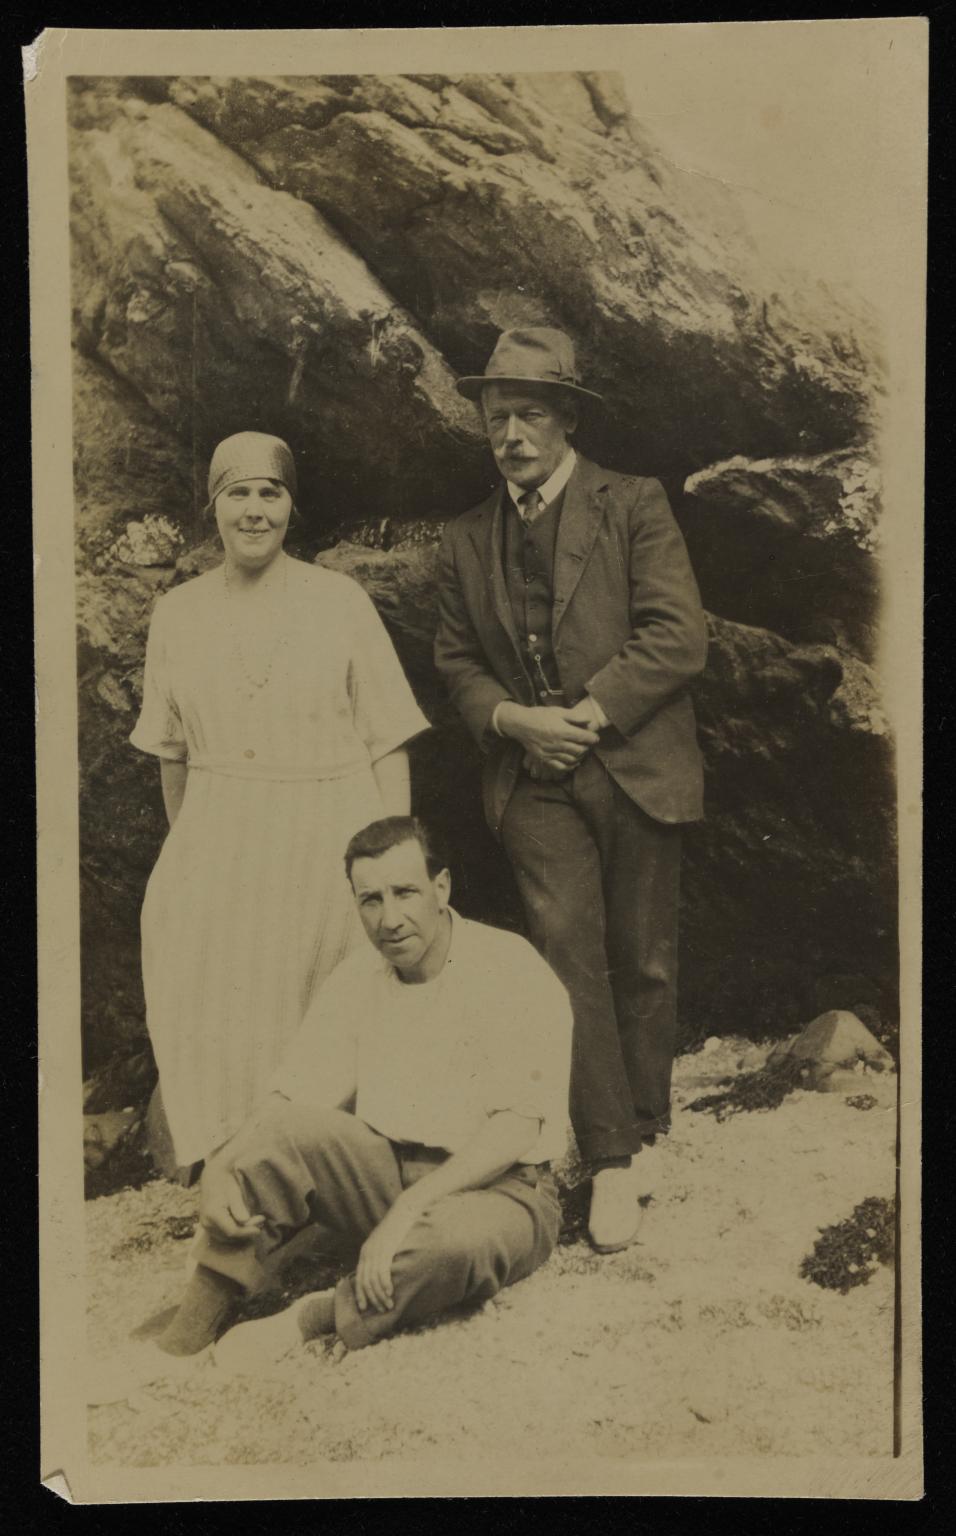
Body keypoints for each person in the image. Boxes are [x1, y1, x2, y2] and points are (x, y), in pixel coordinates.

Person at [434, 327, 708, 1253]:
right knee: (564, 957)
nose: (511, 435)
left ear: (568, 419)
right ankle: (612, 1157)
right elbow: (457, 661)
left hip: (633, 764)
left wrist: (582, 717)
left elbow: (678, 636)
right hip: (532, 779)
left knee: (644, 956)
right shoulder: (466, 537)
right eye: (496, 417)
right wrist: (517, 723)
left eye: (530, 414)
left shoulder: (633, 504)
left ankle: (648, 1126)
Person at [154, 816, 572, 1366]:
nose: (389, 919)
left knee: (454, 1246)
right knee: (280, 1134)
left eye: (405, 893)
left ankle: (318, 1314)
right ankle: (189, 1329)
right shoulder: (358, 976)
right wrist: (220, 1169)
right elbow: (288, 1101)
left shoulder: (507, 965)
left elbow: (516, 1128)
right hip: (387, 1173)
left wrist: (409, 1210)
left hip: (502, 1191)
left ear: (441, 887)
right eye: (371, 900)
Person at [130, 433, 429, 1172]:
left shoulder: (339, 600)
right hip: (221, 835)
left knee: (328, 1003)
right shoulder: (178, 613)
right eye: (238, 493)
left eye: (272, 493)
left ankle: (329, 1179)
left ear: (292, 506)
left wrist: (394, 856)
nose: (255, 510)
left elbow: (388, 736)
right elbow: (172, 753)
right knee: (214, 998)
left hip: (330, 830)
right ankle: (241, 1176)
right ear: (214, 506)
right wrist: (192, 851)